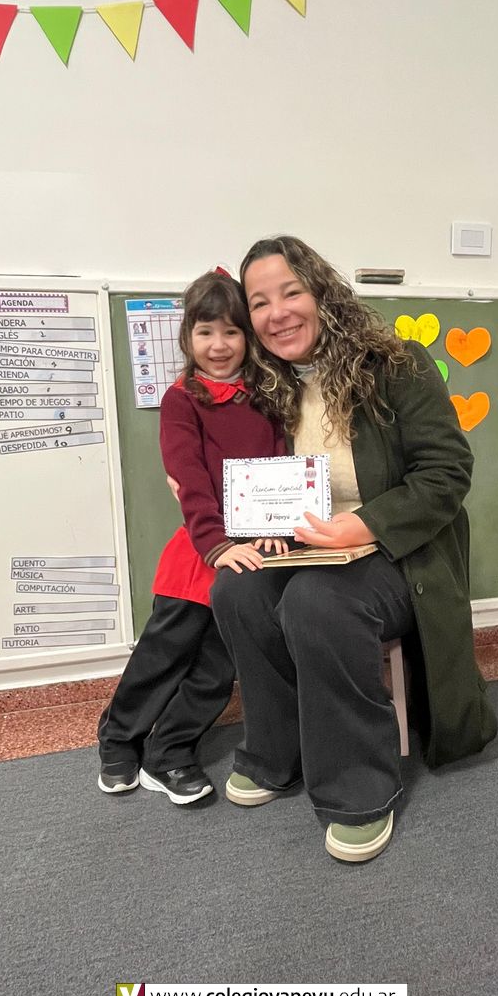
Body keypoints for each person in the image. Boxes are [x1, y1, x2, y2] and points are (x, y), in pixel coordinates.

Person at [211, 236, 498, 861]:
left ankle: (359, 788)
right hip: (312, 549)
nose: (277, 313)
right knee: (236, 587)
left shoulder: (397, 364)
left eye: (291, 292)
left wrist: (362, 526)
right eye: (259, 302)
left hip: (400, 553)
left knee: (317, 603)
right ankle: (278, 751)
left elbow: (446, 473)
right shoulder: (269, 384)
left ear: (321, 292)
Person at [97, 270, 286, 805]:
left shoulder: (267, 396)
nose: (218, 345)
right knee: (163, 655)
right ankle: (119, 739)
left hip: (252, 556)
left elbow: (280, 468)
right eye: (206, 332)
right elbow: (190, 480)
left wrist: (274, 528)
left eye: (231, 332)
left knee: (217, 669)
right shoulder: (181, 399)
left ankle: (170, 751)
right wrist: (218, 545)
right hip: (201, 552)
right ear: (187, 337)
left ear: (247, 337)